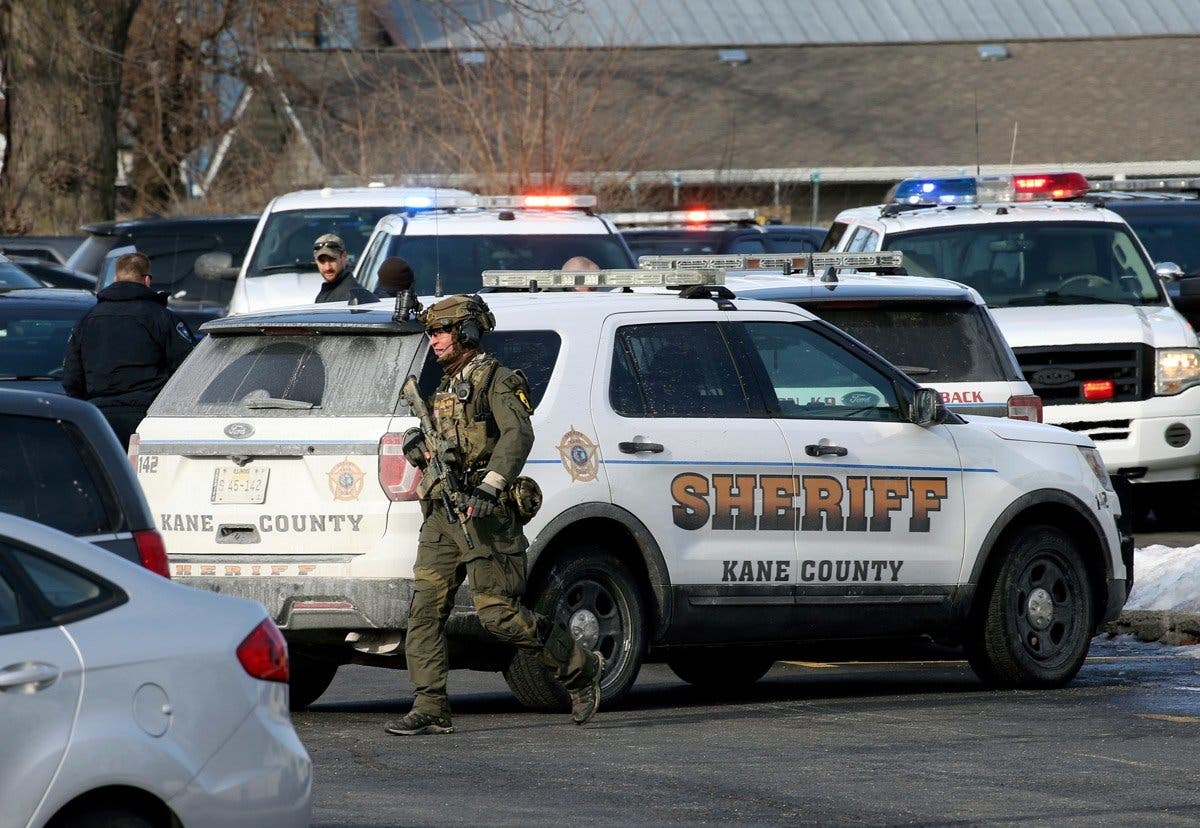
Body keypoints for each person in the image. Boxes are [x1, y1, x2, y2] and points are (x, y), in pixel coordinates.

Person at [386, 294, 604, 736]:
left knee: (498, 614)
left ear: (466, 332)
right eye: (430, 332)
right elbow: (436, 433)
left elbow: (516, 436)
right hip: (444, 517)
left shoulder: (497, 381)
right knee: (424, 611)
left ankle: (580, 669)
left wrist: (491, 484)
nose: (434, 340)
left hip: (485, 513)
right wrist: (415, 442)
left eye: (442, 331)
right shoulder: (445, 385)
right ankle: (430, 704)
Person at [62, 251, 194, 448]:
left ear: (115, 279)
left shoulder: (87, 320)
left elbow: (72, 377)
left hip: (100, 417)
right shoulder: (163, 318)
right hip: (148, 417)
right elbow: (188, 368)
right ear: (147, 280)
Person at [312, 233, 376, 304]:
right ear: (316, 261)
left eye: (332, 259)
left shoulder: (351, 296)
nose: (327, 267)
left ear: (344, 257)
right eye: (322, 261)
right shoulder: (328, 291)